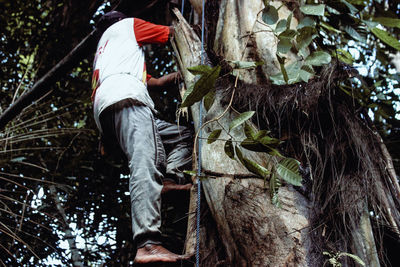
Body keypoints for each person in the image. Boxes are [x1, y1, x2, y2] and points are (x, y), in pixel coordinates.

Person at [91, 11, 192, 263]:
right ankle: (147, 244)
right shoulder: (126, 26)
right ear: (119, 20)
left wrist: (183, 76)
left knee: (184, 135)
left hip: (111, 109)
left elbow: (154, 82)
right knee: (144, 161)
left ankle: (170, 179)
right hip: (128, 100)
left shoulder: (109, 52)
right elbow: (171, 33)